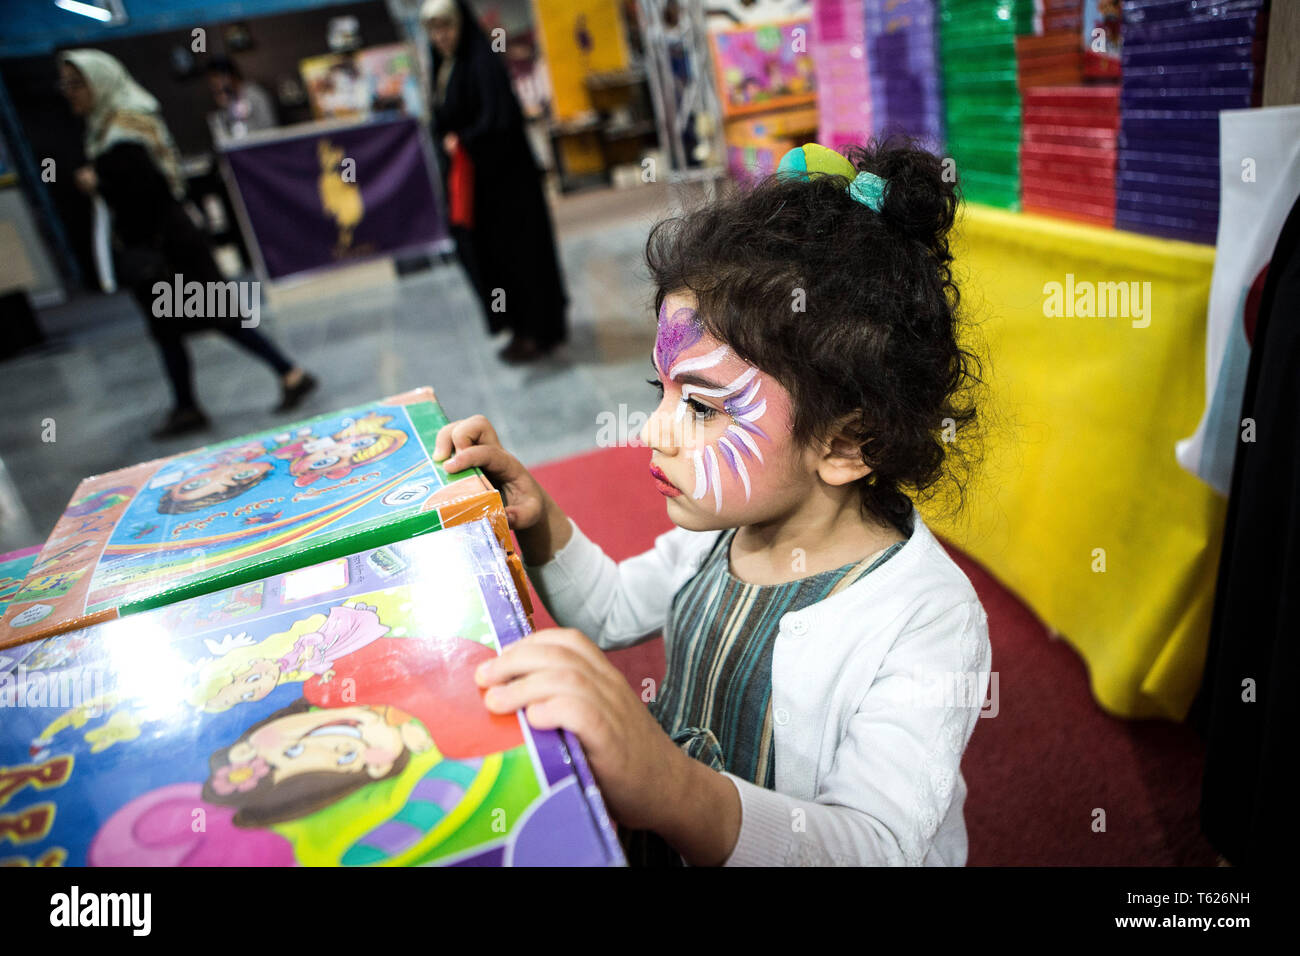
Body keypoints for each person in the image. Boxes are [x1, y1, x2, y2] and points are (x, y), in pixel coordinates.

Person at [432, 141, 993, 865]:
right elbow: (608, 610)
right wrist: (538, 522)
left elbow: (873, 847)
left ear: (847, 444)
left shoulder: (925, 621)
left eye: (701, 405)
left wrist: (670, 786)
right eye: (658, 392)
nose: (654, 431)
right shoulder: (724, 530)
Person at [58, 49, 317, 439]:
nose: (70, 93)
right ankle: (190, 404)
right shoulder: (111, 125)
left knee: (215, 319)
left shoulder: (122, 131)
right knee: (173, 329)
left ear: (100, 82)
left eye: (77, 83)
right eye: (66, 85)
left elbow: (147, 193)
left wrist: (99, 182)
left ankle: (286, 374)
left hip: (168, 250)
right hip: (166, 246)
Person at [422, 0, 568, 364]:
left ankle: (538, 329)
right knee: (491, 261)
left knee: (520, 259)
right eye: (434, 30)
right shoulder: (447, 66)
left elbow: (499, 121)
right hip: (477, 190)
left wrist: (464, 140)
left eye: (446, 27)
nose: (441, 37)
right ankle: (518, 327)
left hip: (505, 189)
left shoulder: (483, 63)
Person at [205, 56, 278, 141]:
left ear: (230, 76)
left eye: (217, 77)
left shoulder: (254, 94)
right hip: (240, 149)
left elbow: (271, 126)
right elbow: (222, 137)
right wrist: (224, 108)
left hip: (263, 145)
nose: (215, 85)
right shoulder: (223, 99)